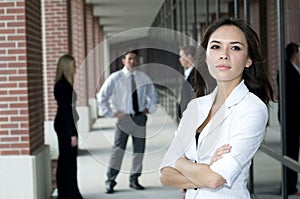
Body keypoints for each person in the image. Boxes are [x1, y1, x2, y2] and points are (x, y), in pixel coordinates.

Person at [159, 17, 274, 198]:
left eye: (235, 47)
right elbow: (164, 176)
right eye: (215, 47)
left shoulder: (252, 109)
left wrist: (178, 161)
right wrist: (203, 170)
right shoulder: (196, 106)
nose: (224, 54)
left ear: (248, 60)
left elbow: (214, 179)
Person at [97, 50, 158, 194]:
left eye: (135, 59)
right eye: (129, 58)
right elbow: (102, 96)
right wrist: (111, 113)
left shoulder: (143, 77)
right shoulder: (115, 77)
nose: (132, 61)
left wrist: (150, 108)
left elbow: (153, 95)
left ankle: (134, 179)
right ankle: (110, 181)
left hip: (140, 118)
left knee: (139, 150)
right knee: (118, 151)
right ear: (123, 61)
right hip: (124, 119)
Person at [54, 54, 83, 199]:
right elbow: (66, 111)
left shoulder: (64, 83)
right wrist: (72, 133)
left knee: (67, 159)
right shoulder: (63, 85)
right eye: (73, 66)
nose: (75, 68)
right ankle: (67, 193)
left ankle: (68, 192)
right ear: (66, 67)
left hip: (65, 124)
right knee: (68, 161)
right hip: (65, 126)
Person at [277, 42, 300, 195]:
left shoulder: (293, 68)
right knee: (290, 152)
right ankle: (288, 186)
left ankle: (290, 185)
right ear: (294, 53)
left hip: (293, 118)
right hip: (291, 118)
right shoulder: (287, 69)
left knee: (293, 151)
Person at [178, 45, 207, 120]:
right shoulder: (189, 73)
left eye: (182, 56)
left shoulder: (196, 75)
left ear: (189, 56)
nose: (180, 59)